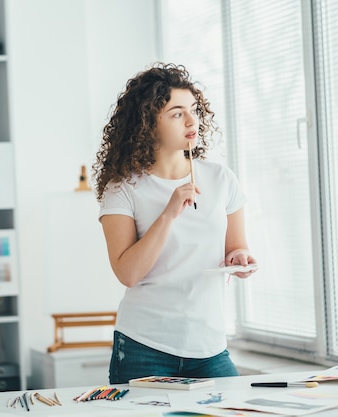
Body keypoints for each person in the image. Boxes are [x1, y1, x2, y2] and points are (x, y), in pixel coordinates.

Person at [93, 62, 258, 384]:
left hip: (209, 345)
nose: (192, 120)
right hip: (144, 346)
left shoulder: (220, 179)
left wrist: (240, 258)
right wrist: (168, 213)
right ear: (147, 123)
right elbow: (127, 273)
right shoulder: (123, 188)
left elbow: (237, 247)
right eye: (177, 113)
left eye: (194, 109)